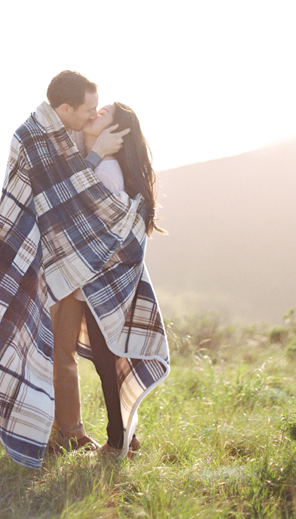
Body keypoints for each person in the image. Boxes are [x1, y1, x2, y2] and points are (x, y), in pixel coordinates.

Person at [0, 70, 167, 468]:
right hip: (44, 258)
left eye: (97, 110)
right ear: (64, 109)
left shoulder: (79, 142)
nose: (90, 115)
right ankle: (67, 431)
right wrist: (96, 151)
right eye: (87, 109)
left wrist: (97, 153)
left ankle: (79, 433)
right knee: (51, 349)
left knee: (78, 354)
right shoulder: (34, 138)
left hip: (77, 270)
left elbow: (82, 194)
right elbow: (58, 192)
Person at [70, 100, 169, 457]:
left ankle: (118, 440)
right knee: (104, 359)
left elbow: (94, 219)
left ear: (116, 132)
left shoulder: (106, 171)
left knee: (106, 359)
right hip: (103, 278)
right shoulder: (103, 165)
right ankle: (126, 434)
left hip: (103, 280)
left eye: (102, 113)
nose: (93, 114)